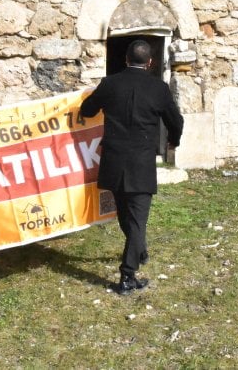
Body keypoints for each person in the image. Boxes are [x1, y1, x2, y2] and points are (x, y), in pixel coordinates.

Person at [79, 40, 184, 295]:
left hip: (114, 159)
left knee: (127, 215)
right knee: (137, 220)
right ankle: (127, 276)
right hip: (140, 162)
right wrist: (174, 140)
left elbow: (88, 109)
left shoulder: (110, 84)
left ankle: (139, 250)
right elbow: (175, 120)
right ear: (150, 63)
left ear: (125, 59)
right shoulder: (158, 88)